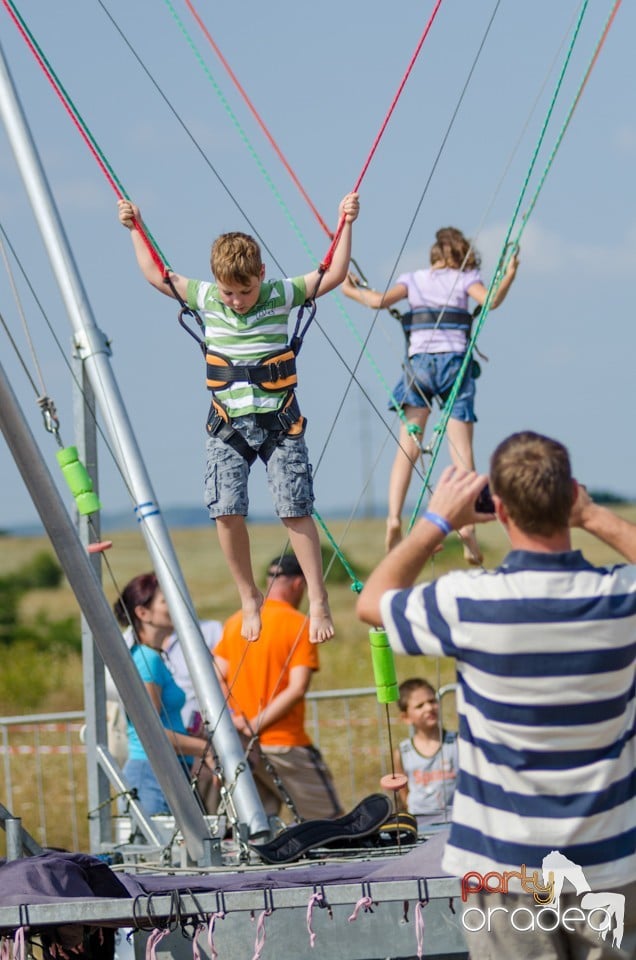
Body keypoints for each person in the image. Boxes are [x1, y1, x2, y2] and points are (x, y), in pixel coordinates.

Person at [357, 431, 636, 959]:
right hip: (605, 864)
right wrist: (594, 515)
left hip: (501, 865)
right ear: (571, 494)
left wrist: (438, 519)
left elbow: (374, 602)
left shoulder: (470, 601)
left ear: (500, 510)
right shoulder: (618, 598)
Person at [118, 193, 360, 645]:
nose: (238, 300)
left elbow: (334, 273)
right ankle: (249, 596)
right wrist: (137, 228)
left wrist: (346, 222)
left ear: (261, 276)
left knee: (295, 509)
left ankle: (320, 596)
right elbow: (157, 274)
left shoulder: (278, 294)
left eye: (245, 291)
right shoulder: (208, 297)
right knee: (226, 511)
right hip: (227, 424)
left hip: (279, 421)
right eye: (230, 292)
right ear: (216, 282)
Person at [342, 227, 518, 560]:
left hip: (418, 367)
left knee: (407, 449)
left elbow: (378, 301)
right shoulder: (466, 279)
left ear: (434, 257)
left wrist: (350, 290)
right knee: (462, 452)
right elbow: (491, 300)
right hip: (454, 366)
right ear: (461, 257)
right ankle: (468, 529)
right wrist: (508, 275)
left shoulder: (414, 278)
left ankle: (394, 518)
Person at [213, 552, 343, 822]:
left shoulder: (236, 621)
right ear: (298, 584)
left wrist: (239, 723)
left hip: (241, 744)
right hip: (284, 744)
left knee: (260, 827)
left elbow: (217, 677)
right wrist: (256, 723)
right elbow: (297, 688)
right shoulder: (299, 624)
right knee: (329, 823)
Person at [113, 573, 218, 819]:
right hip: (152, 774)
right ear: (142, 613)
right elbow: (151, 732)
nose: (175, 606)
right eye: (165, 601)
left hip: (166, 770)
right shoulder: (146, 659)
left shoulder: (153, 657)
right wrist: (205, 748)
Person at [393, 677, 457, 819]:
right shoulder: (403, 752)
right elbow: (403, 792)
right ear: (406, 717)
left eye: (432, 701)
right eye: (420, 706)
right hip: (421, 820)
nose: (429, 707)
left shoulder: (457, 742)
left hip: (455, 818)